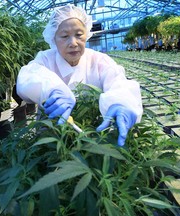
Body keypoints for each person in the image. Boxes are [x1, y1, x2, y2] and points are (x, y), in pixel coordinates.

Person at [16, 4, 143, 146]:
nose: (73, 43)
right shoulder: (46, 59)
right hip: (53, 137)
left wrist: (122, 103)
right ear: (53, 39)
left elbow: (118, 83)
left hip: (92, 137)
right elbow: (27, 78)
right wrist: (50, 89)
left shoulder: (99, 60)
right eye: (64, 36)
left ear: (87, 34)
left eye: (78, 35)